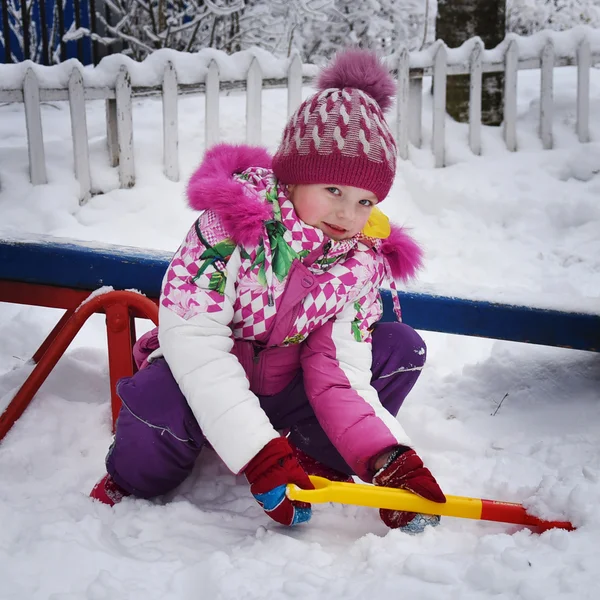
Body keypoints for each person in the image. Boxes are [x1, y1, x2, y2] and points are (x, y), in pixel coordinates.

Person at [90, 48, 446, 533]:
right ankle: (136, 476)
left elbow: (340, 373)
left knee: (398, 346)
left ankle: (308, 456)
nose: (347, 214)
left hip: (286, 387)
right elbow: (196, 345)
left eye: (365, 201)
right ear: (293, 177)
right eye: (333, 191)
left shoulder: (358, 263)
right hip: (202, 378)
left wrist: (391, 461)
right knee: (155, 408)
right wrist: (258, 453)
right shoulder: (227, 230)